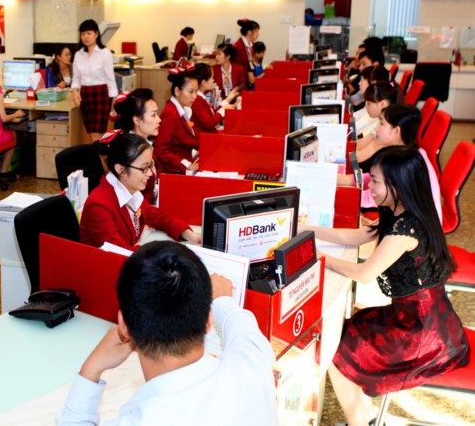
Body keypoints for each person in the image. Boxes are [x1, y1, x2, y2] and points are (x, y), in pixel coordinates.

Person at [303, 146, 469, 426]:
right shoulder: (402, 210)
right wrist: (305, 230)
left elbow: (364, 273)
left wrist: (319, 257)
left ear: (397, 185)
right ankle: (364, 416)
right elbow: (358, 236)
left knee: (336, 347)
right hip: (419, 317)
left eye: (375, 181)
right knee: (340, 337)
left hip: (421, 334)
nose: (370, 186)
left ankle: (359, 420)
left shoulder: (406, 230)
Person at [57, 241, 278, 425]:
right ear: (208, 321)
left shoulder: (141, 420)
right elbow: (245, 331)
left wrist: (92, 368)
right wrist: (222, 301)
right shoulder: (253, 366)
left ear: (124, 327)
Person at [81, 134, 201, 250]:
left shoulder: (128, 188)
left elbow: (154, 216)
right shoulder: (99, 205)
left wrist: (187, 233)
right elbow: (120, 251)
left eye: (150, 165)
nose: (150, 173)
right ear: (121, 169)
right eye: (144, 168)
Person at [346, 104, 442, 218]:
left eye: (382, 124)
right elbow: (371, 179)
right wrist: (338, 179)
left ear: (396, 131)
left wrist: (338, 193)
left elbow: (371, 197)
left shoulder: (405, 162)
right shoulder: (403, 151)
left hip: (416, 224)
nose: (376, 128)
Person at [71, 19, 119, 142]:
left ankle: (98, 154)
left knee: (96, 134)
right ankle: (99, 153)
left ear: (96, 34)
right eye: (83, 34)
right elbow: (76, 78)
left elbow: (110, 79)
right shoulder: (78, 55)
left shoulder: (105, 53)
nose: (86, 37)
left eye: (89, 33)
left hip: (101, 94)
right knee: (91, 132)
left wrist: (114, 102)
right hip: (85, 96)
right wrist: (75, 92)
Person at [113, 88, 161, 204]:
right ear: (137, 120)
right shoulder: (131, 152)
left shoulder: (144, 144)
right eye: (153, 115)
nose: (159, 119)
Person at [155, 66, 200, 174]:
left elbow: (178, 144)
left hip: (185, 163)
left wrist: (194, 152)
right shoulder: (170, 114)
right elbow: (161, 150)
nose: (195, 96)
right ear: (177, 91)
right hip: (174, 171)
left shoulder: (182, 110)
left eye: (196, 92)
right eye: (191, 92)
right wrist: (187, 165)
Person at [190, 63, 236, 135]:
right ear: (204, 82)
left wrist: (227, 101)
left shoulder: (200, 97)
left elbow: (211, 114)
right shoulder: (196, 100)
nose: (213, 80)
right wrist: (223, 110)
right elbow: (208, 123)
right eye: (212, 78)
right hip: (204, 137)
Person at [232, 18, 260, 87]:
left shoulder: (252, 45)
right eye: (256, 31)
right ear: (249, 32)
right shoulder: (238, 46)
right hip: (238, 81)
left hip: (247, 79)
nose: (258, 34)